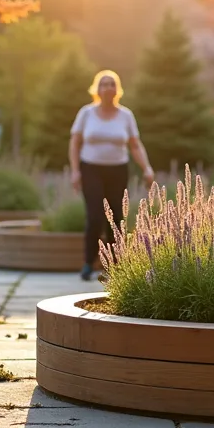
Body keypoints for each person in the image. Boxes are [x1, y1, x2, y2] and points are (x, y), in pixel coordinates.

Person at [69, 69, 154, 281]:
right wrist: (75, 171)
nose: (108, 87)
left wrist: (147, 168)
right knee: (95, 216)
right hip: (91, 169)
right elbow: (75, 142)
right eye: (104, 84)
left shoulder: (126, 115)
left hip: (118, 170)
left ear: (118, 89)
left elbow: (135, 145)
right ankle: (89, 263)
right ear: (97, 89)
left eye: (112, 84)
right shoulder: (86, 113)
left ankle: (115, 267)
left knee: (116, 218)